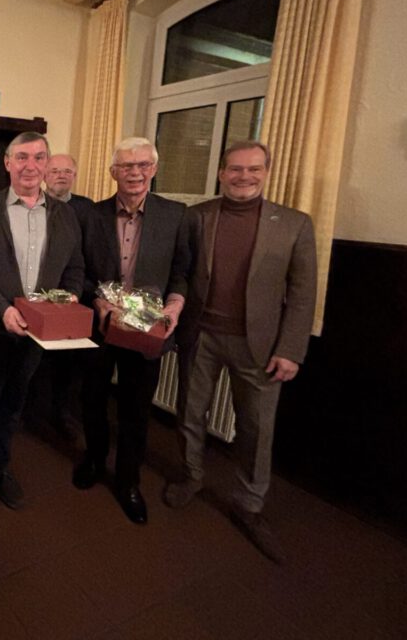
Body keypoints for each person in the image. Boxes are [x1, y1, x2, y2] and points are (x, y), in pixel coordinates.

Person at [165, 140, 316, 564]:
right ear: (220, 173)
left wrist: (291, 350)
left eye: (253, 169)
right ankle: (191, 476)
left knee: (256, 427)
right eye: (235, 169)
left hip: (262, 346)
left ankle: (249, 502)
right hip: (202, 334)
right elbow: (182, 271)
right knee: (191, 413)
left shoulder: (294, 224)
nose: (243, 176)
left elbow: (303, 294)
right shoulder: (196, 217)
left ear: (267, 172)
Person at [0, 132, 85, 530]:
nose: (31, 165)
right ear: (7, 163)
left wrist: (63, 304)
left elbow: (75, 271)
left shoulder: (65, 215)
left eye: (39, 157)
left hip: (35, 337)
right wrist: (3, 309)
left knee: (12, 409)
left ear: (47, 164)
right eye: (22, 157)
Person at [73, 138, 186, 525]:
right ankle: (93, 458)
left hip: (147, 330)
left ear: (154, 168)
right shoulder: (91, 215)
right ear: (113, 173)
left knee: (137, 408)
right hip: (100, 326)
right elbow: (80, 272)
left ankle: (128, 481)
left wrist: (175, 304)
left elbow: (182, 273)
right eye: (126, 166)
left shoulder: (176, 215)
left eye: (142, 165)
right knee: (92, 399)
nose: (134, 172)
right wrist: (97, 301)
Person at [41, 153, 95, 438]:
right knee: (35, 362)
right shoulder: (33, 204)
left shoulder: (87, 209)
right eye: (55, 170)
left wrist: (76, 291)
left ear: (74, 175)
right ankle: (33, 413)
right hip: (37, 298)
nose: (61, 175)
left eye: (67, 171)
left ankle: (61, 414)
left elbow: (90, 254)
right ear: (44, 173)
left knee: (67, 366)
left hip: (73, 297)